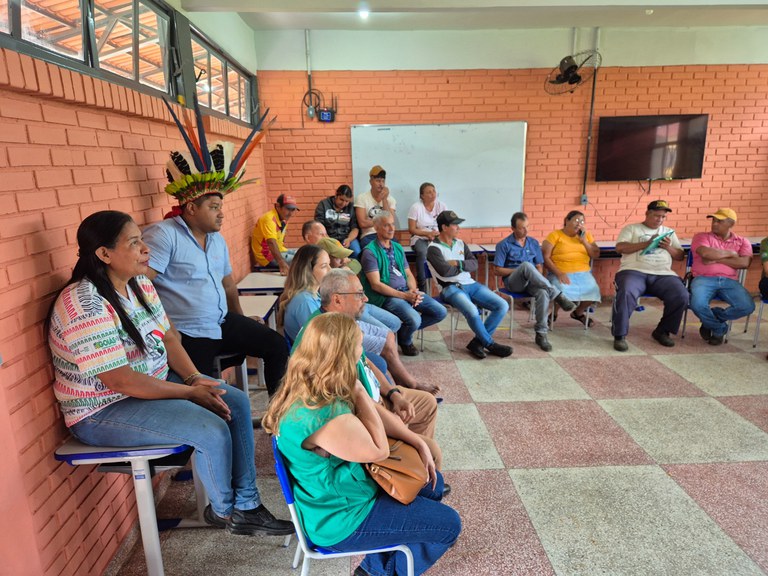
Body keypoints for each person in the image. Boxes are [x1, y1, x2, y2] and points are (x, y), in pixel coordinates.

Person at [48, 211, 293, 537]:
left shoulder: (139, 284)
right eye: (134, 243)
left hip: (151, 384)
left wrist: (195, 379)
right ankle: (225, 511)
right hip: (103, 408)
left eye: (142, 240)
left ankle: (248, 507)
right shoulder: (84, 303)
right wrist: (190, 393)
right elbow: (120, 380)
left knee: (233, 400)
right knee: (211, 427)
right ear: (104, 254)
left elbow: (169, 337)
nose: (145, 249)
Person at [262, 313, 461, 576]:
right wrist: (358, 391)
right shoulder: (321, 414)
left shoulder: (315, 381)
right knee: (449, 525)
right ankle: (376, 572)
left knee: (433, 486)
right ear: (342, 353)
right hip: (342, 518)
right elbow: (379, 450)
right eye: (358, 344)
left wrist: (417, 441)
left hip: (345, 492)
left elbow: (376, 417)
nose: (362, 349)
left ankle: (378, 563)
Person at [144, 138, 289, 397]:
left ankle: (280, 416)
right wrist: (167, 328)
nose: (221, 214)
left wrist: (242, 318)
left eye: (221, 207)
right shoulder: (164, 235)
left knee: (277, 344)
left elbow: (229, 284)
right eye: (213, 208)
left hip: (220, 322)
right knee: (205, 395)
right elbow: (141, 286)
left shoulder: (216, 239)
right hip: (187, 332)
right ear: (190, 208)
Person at [294, 271, 444, 467]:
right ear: (337, 299)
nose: (365, 298)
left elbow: (365, 362)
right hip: (362, 412)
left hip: (373, 399)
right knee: (432, 450)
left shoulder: (340, 323)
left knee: (427, 403)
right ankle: (403, 468)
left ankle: (413, 469)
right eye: (359, 294)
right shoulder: (325, 335)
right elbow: (349, 406)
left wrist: (394, 393)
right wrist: (397, 427)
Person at [427, 210, 512, 360]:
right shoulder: (433, 249)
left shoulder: (460, 243)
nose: (458, 228)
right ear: (444, 227)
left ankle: (477, 343)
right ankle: (490, 344)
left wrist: (458, 263)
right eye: (455, 225)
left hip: (470, 284)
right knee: (472, 311)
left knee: (502, 305)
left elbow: (474, 264)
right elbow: (445, 272)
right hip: (450, 288)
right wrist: (462, 266)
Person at [362, 211, 447, 357]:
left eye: (393, 224)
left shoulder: (397, 247)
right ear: (376, 228)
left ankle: (403, 331)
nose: (391, 228)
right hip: (387, 296)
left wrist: (413, 291)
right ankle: (406, 341)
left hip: (406, 291)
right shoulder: (370, 252)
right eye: (386, 225)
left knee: (440, 311)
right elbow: (376, 285)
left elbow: (408, 273)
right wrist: (405, 296)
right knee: (415, 318)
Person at [611, 200, 688, 351]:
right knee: (626, 291)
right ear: (647, 214)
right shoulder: (632, 229)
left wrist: (668, 247)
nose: (659, 219)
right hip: (633, 271)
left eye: (663, 217)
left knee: (681, 295)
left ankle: (662, 331)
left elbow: (679, 256)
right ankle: (619, 335)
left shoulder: (668, 232)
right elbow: (620, 248)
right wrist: (646, 243)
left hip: (663, 274)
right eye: (656, 215)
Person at [493, 212, 576, 352]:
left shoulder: (533, 242)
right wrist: (521, 271)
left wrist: (533, 275)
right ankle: (557, 295)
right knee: (526, 266)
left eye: (527, 227)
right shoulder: (504, 245)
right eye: (522, 228)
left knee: (543, 292)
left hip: (532, 281)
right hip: (514, 283)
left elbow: (539, 266)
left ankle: (541, 334)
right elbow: (497, 270)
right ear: (513, 229)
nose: (526, 231)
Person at [689, 208, 754, 345]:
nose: (714, 224)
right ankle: (719, 328)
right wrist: (731, 253)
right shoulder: (701, 237)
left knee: (747, 306)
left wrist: (716, 258)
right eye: (713, 220)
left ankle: (713, 317)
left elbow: (744, 263)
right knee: (697, 304)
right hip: (703, 278)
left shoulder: (742, 241)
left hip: (729, 281)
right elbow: (706, 254)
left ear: (731, 224)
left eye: (719, 221)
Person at [317, 236, 403, 334]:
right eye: (338, 257)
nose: (343, 260)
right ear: (325, 259)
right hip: (350, 310)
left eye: (343, 256)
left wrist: (343, 266)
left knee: (396, 323)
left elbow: (357, 264)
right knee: (387, 334)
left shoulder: (342, 266)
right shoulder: (324, 278)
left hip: (362, 304)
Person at [542, 210, 602, 327]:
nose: (579, 224)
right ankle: (553, 314)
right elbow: (545, 257)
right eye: (576, 220)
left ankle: (578, 313)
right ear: (566, 221)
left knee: (594, 290)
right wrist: (559, 273)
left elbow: (595, 254)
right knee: (561, 290)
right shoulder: (555, 235)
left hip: (583, 273)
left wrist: (584, 241)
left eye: (582, 221)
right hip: (559, 272)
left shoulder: (586, 236)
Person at [279, 245, 331, 343]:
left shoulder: (313, 295)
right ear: (308, 271)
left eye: (329, 264)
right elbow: (321, 342)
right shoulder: (305, 302)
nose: (330, 270)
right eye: (324, 266)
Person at [408, 182, 448, 292]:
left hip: (437, 237)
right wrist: (427, 234)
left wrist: (438, 234)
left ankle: (447, 286)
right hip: (420, 238)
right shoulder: (416, 207)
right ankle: (422, 288)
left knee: (446, 252)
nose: (433, 194)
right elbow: (411, 229)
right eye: (429, 192)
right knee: (422, 252)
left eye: (434, 191)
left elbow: (447, 226)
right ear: (422, 195)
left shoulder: (442, 206)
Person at [251, 194, 300, 275]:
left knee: (306, 253)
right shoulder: (269, 219)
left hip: (280, 251)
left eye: (293, 210)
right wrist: (282, 264)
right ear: (277, 206)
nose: (291, 213)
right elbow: (271, 242)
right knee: (305, 261)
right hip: (267, 256)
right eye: (288, 209)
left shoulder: (283, 217)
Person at [355, 165, 397, 249]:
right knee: (376, 250)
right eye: (378, 181)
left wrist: (384, 200)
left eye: (383, 181)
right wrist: (382, 223)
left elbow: (391, 220)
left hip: (386, 235)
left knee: (397, 249)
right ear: (371, 181)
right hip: (369, 235)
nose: (381, 184)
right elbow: (362, 223)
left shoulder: (390, 200)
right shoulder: (362, 198)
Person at [315, 184, 360, 257]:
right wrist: (329, 240)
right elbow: (318, 226)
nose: (343, 203)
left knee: (356, 251)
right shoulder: (324, 204)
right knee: (326, 253)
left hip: (346, 237)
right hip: (328, 237)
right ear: (336, 195)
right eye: (341, 199)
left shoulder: (350, 207)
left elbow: (355, 228)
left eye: (347, 201)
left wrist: (349, 239)